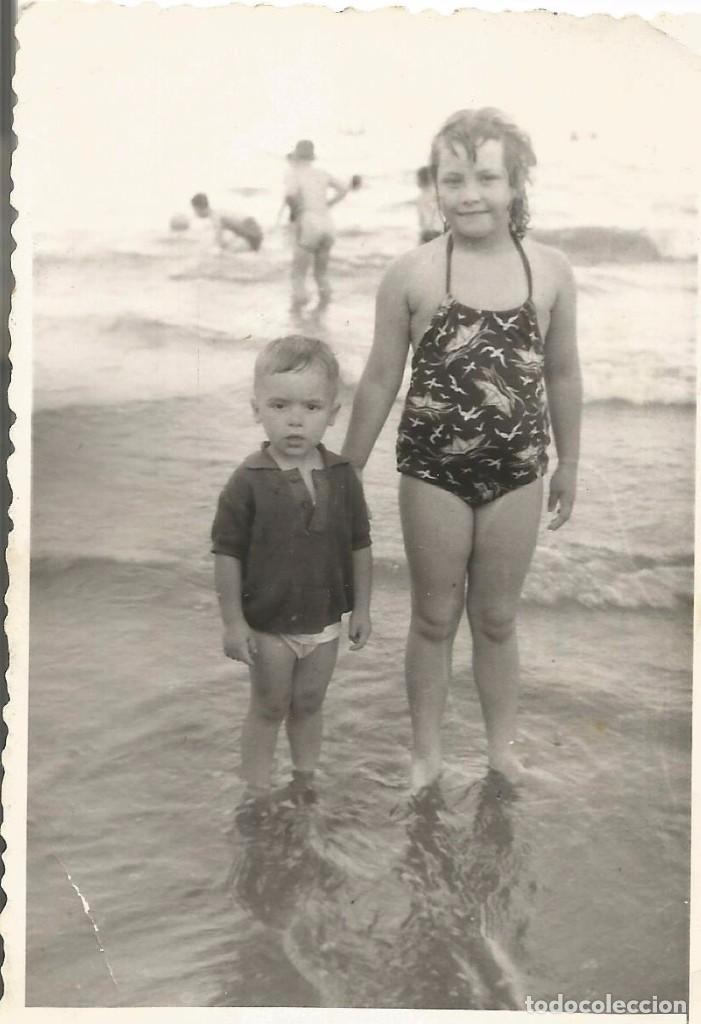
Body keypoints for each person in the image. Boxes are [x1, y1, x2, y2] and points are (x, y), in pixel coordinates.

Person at [342, 108, 581, 791]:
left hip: (516, 473)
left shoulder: (550, 272)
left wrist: (571, 462)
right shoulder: (411, 274)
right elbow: (381, 377)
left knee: (497, 618)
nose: (468, 192)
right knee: (433, 615)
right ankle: (426, 757)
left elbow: (563, 373)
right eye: (453, 178)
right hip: (432, 472)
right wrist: (346, 469)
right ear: (434, 187)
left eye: (485, 176)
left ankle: (501, 753)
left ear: (515, 184)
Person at [211, 335, 372, 799]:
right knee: (269, 704)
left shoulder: (343, 476)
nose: (296, 419)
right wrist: (233, 623)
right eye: (279, 405)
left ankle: (305, 779)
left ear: (333, 413)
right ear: (256, 408)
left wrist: (361, 610)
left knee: (308, 702)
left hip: (324, 620)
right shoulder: (248, 479)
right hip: (267, 623)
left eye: (311, 407)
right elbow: (227, 553)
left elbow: (360, 545)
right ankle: (256, 790)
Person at [283, 140, 349, 310]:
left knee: (298, 275)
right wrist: (329, 203)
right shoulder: (322, 173)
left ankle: (297, 320)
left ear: (297, 156)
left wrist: (295, 216)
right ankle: (322, 312)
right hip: (327, 224)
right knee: (321, 275)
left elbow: (290, 196)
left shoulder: (294, 174)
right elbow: (344, 188)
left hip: (309, 223)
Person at [190, 192, 263, 252]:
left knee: (225, 252)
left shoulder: (215, 217)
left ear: (198, 208)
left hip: (252, 231)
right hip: (255, 230)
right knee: (227, 247)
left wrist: (216, 247)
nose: (195, 213)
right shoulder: (218, 212)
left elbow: (218, 240)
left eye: (194, 210)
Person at [416, 165, 443, 244]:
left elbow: (424, 219)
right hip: (437, 231)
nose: (416, 181)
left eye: (417, 179)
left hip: (431, 232)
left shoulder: (423, 197)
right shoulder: (436, 193)